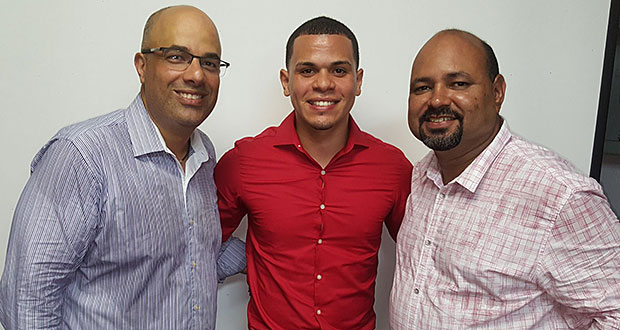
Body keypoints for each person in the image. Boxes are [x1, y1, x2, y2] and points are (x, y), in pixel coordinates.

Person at [0, 5, 245, 329]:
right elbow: (26, 304)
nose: (196, 74)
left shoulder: (203, 155)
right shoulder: (81, 156)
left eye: (210, 62)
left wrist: (281, 250)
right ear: (142, 66)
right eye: (176, 56)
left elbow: (195, 256)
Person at [390, 29, 620, 329]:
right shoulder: (422, 175)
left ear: (497, 92)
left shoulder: (560, 196)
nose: (436, 100)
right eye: (422, 88)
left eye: (458, 83)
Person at [215, 16, 412, 330]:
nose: (323, 83)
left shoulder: (392, 168)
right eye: (307, 70)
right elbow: (193, 245)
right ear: (286, 81)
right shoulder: (243, 162)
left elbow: (427, 257)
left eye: (338, 70)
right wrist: (247, 259)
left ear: (357, 81)